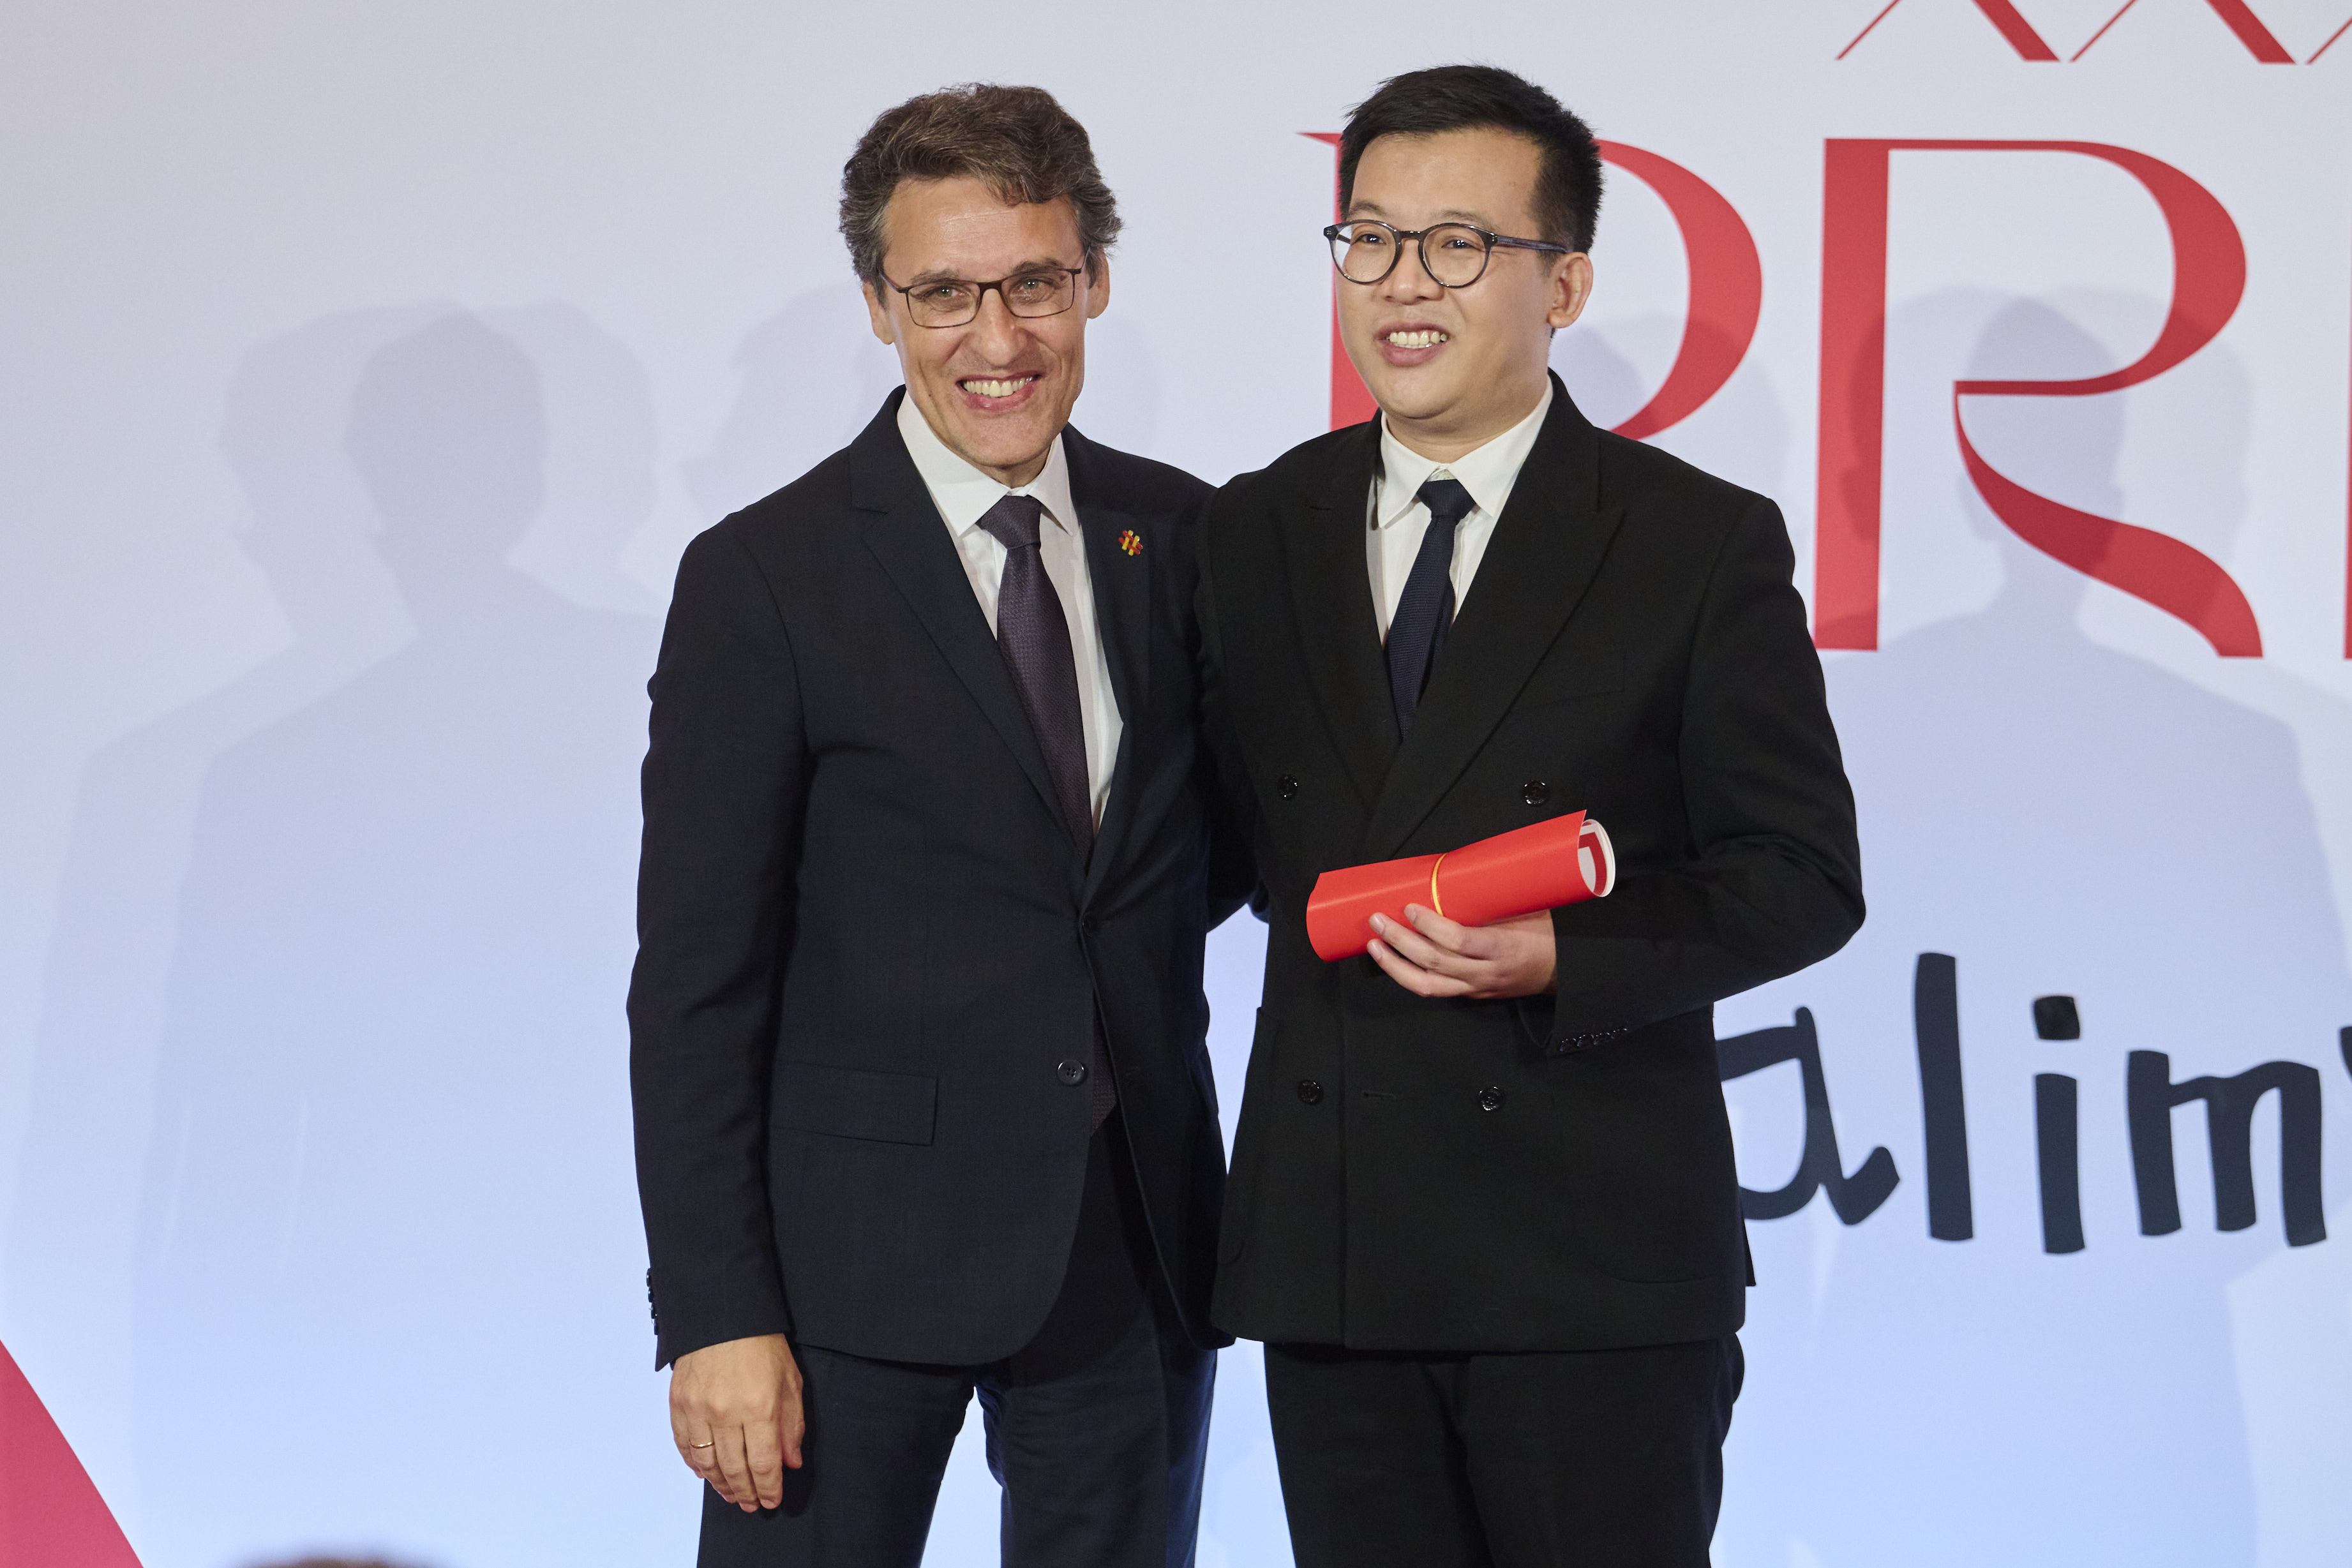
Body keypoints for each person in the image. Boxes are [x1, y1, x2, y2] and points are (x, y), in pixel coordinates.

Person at [1195, 64, 1864, 1567]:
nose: (1400, 283)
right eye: (1370, 238)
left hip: (1589, 1260)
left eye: (1456, 245)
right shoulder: (1251, 528)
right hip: (1336, 1252)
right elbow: (1220, 848)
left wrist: (1566, 954)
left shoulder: (1690, 542)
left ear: (1562, 283)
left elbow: (1799, 874)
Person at [630, 83, 1241, 1568]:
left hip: (1129, 1249)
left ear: (1094, 280)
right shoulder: (765, 576)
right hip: (840, 1279)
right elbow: (698, 979)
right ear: (878, 303)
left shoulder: (1192, 539)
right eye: (945, 293)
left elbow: (1202, 859)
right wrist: (716, 1309)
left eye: (1034, 282)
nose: (998, 336)